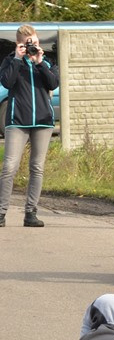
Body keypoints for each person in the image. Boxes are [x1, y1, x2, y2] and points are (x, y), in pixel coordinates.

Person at [0, 24, 60, 228]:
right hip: (17, 121)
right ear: (19, 43)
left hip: (43, 121)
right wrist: (18, 59)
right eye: (27, 43)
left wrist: (40, 62)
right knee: (9, 167)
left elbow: (53, 84)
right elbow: (7, 82)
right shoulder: (10, 61)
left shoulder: (47, 62)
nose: (32, 46)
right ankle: (1, 213)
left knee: (37, 167)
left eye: (34, 42)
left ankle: (30, 213)